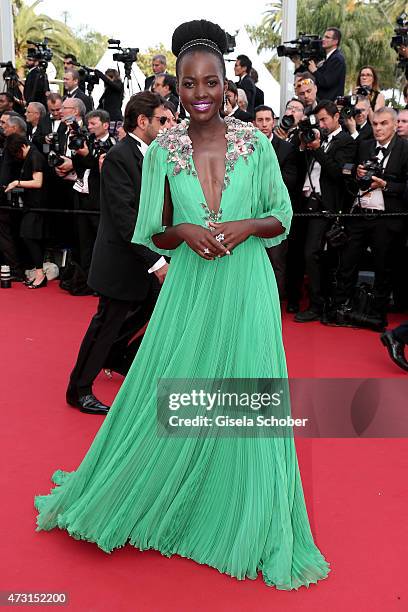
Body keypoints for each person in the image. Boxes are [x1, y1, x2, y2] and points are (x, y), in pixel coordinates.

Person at [35, 19, 329, 590]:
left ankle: (239, 509)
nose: (200, 95)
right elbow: (153, 229)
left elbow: (282, 217)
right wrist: (185, 231)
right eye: (189, 84)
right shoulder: (160, 153)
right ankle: (167, 493)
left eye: (211, 83)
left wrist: (242, 226)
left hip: (246, 287)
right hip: (192, 285)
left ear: (228, 85)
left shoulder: (259, 144)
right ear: (176, 86)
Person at [65, 92, 168, 414]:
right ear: (142, 121)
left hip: (146, 257)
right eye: (162, 120)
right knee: (104, 324)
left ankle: (116, 354)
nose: (169, 125)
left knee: (153, 308)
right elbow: (126, 219)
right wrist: (157, 262)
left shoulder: (156, 155)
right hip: (122, 260)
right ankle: (79, 388)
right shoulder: (119, 157)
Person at [4, 133, 47, 288]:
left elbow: (38, 182)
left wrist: (17, 182)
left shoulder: (35, 156)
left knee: (29, 236)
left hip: (38, 206)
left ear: (22, 146)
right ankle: (39, 272)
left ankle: (40, 273)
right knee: (29, 236)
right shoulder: (30, 157)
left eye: (17, 152)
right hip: (32, 205)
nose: (17, 156)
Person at [304, 28, 346, 101]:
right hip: (322, 104)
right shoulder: (328, 58)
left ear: (335, 41)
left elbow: (327, 82)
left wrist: (315, 71)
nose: (323, 39)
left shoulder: (337, 59)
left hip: (329, 106)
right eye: (324, 37)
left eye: (327, 37)